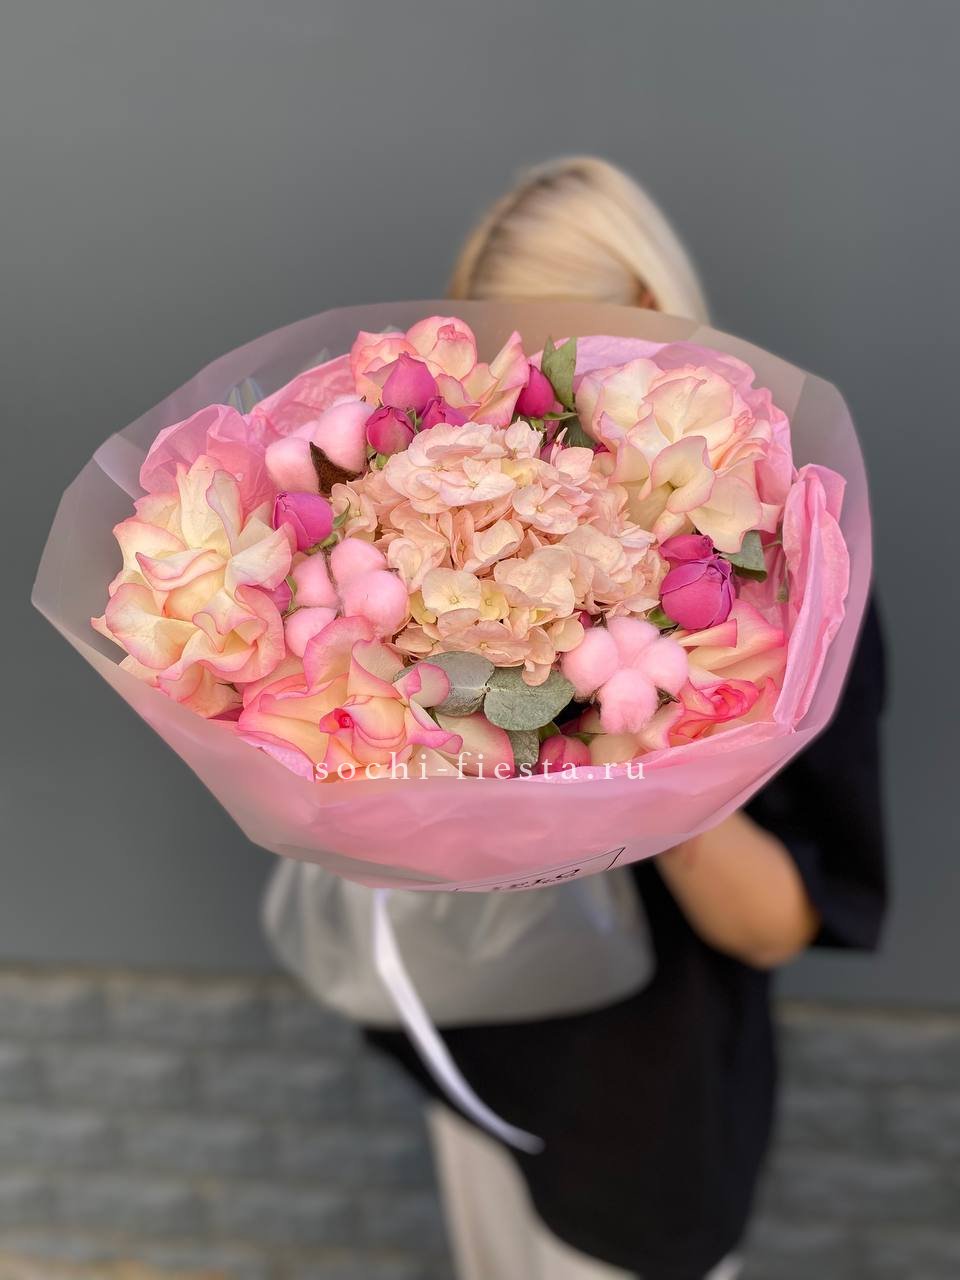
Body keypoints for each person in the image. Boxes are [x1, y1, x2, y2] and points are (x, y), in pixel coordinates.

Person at [361, 157, 888, 1280]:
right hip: (473, 1051)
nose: (536, 408)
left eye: (560, 357)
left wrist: (638, 756)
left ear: (652, 313)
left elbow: (779, 920)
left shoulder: (794, 562)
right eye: (505, 374)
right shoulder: (455, 517)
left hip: (643, 1119)